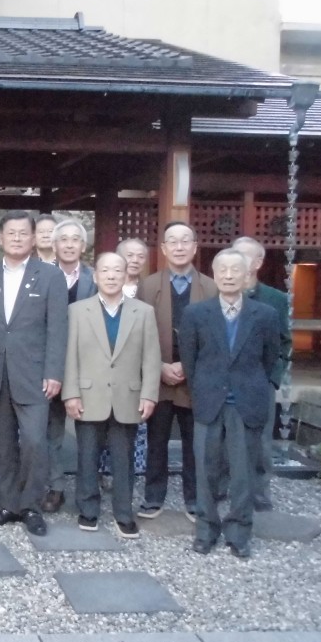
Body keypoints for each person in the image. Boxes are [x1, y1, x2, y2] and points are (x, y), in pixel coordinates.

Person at [180, 248, 280, 558]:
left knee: (242, 472)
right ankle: (206, 529)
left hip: (247, 400)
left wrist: (265, 386)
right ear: (213, 272)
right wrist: (201, 388)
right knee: (205, 469)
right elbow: (189, 357)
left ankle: (239, 531)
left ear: (247, 272)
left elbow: (271, 357)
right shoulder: (196, 313)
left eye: (235, 270)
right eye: (222, 269)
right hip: (210, 398)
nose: (228, 275)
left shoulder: (264, 315)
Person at [0, 211, 68, 537]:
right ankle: (8, 504)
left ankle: (30, 506)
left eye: (23, 233)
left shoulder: (50, 276)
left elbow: (58, 328)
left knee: (33, 442)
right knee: (3, 445)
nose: (16, 238)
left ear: (33, 238)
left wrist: (54, 371)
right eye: (10, 233)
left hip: (35, 374)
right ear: (0, 239)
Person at [63, 252, 161, 538]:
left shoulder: (143, 311)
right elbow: (70, 355)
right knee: (87, 456)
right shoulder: (78, 310)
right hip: (88, 393)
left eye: (117, 270)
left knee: (124, 459)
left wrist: (149, 394)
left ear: (126, 274)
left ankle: (123, 513)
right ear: (95, 276)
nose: (111, 276)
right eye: (105, 270)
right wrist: (71, 393)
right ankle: (88, 509)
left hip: (127, 396)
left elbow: (151, 358)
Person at [136, 221, 217, 521]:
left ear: (195, 247)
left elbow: (216, 336)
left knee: (195, 443)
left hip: (196, 379)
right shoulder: (149, 285)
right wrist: (159, 366)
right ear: (164, 249)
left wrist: (188, 365)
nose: (180, 247)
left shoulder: (210, 286)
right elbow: (139, 332)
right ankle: (153, 497)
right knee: (156, 440)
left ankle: (194, 499)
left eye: (186, 241)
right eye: (173, 241)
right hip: (159, 376)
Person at [232, 236, 291, 511]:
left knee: (260, 439)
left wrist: (272, 377)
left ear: (258, 262)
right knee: (221, 436)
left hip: (259, 379)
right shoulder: (219, 293)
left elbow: (284, 342)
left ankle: (259, 492)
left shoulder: (275, 299)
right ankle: (221, 487)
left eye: (244, 256)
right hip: (224, 379)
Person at [43, 216, 97, 512]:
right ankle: (55, 486)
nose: (69, 245)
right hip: (51, 363)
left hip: (87, 364)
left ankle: (88, 490)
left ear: (83, 246)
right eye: (63, 240)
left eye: (75, 239)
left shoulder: (95, 278)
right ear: (54, 245)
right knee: (51, 431)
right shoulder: (41, 275)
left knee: (88, 430)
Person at [99, 236, 152, 484]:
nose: (135, 260)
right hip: (102, 373)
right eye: (129, 255)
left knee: (131, 427)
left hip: (134, 371)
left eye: (141, 256)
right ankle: (103, 472)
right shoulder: (99, 288)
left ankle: (127, 474)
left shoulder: (150, 288)